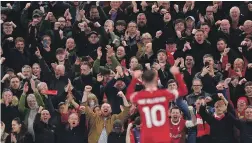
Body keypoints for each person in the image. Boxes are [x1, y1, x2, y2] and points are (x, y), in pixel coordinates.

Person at [126, 66, 188, 143]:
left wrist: (134, 79)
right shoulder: (164, 94)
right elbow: (184, 91)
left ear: (143, 82)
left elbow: (128, 95)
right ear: (156, 81)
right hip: (162, 136)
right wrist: (177, 74)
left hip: (147, 136)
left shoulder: (140, 96)